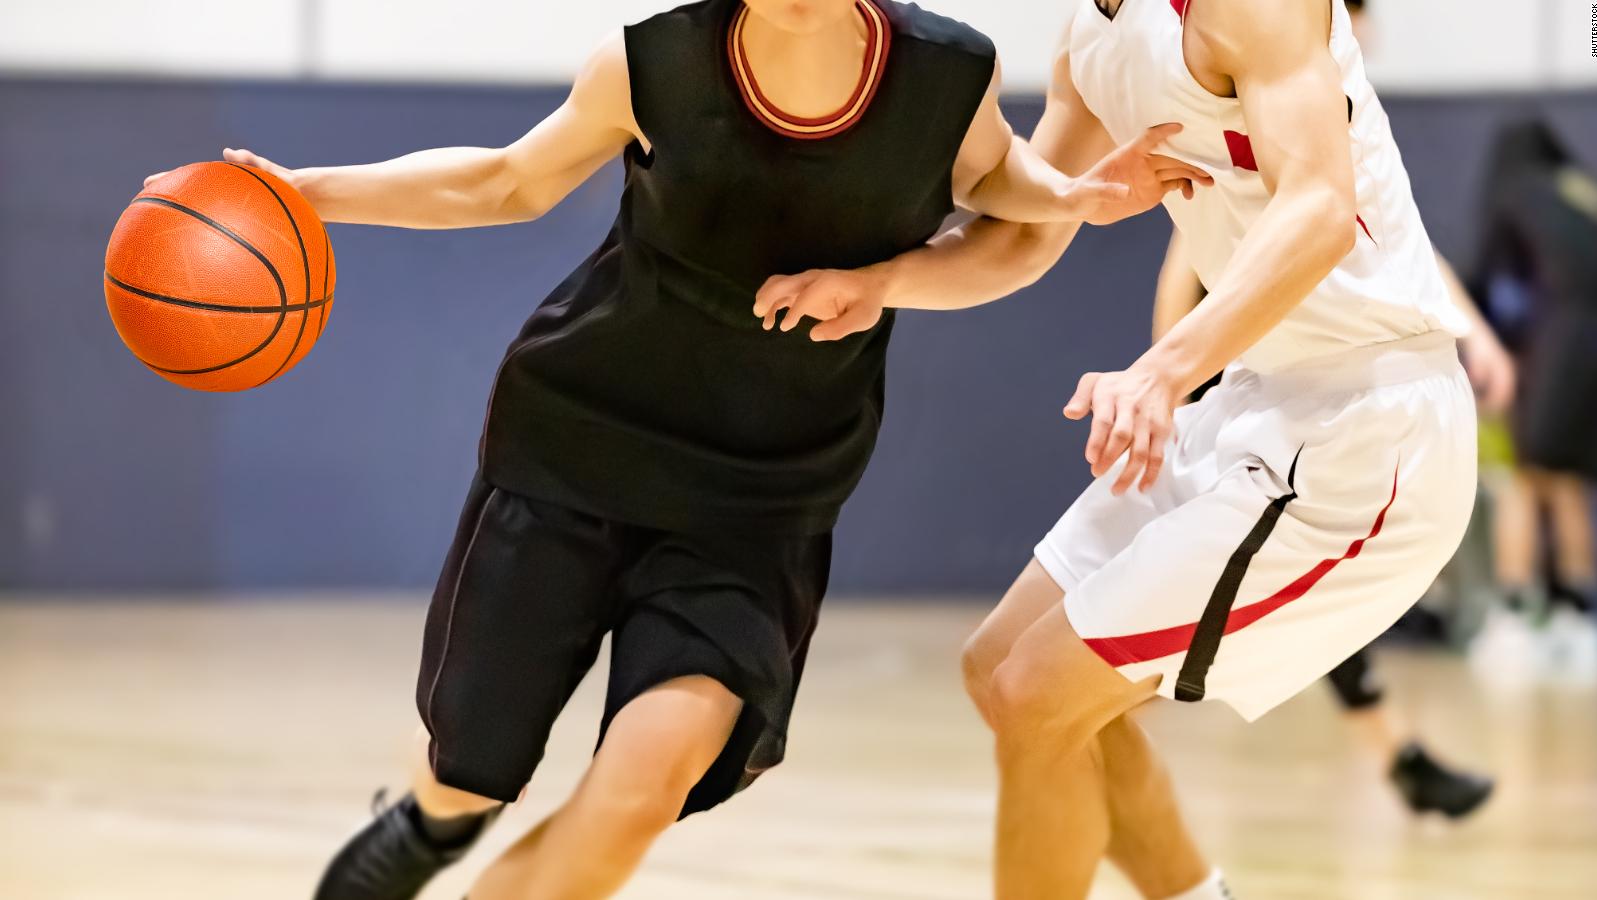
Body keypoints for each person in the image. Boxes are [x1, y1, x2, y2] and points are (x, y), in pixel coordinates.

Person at [141, 2, 1210, 898]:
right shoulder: (657, 58)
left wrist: (1072, 194)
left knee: (641, 786)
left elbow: (994, 176)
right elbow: (507, 182)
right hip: (576, 451)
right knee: (474, 774)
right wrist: (307, 193)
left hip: (760, 503)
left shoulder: (942, 72)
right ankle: (429, 821)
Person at [756, 0, 1478, 894]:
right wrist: (881, 283)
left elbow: (1322, 210)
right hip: (1262, 400)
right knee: (999, 670)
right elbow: (1027, 230)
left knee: (1038, 697)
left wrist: (1162, 371)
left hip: (1371, 428)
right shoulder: (1092, 38)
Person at [1145, 2, 1498, 818]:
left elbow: (1403, 254)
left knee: (1312, 599)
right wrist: (1173, 382)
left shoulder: (1333, 104)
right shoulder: (1271, 84)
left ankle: (1397, 758)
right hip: (1251, 400)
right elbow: (1185, 255)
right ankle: (1100, 731)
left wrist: (1475, 333)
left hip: (1319, 405)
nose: (1360, 35)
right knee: (1173, 614)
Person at [1469, 118, 1597, 671]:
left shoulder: (1517, 191)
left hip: (1561, 343)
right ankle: (1577, 615)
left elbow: (1489, 282)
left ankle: (1516, 615)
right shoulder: (1582, 189)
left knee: (1522, 476)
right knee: (1566, 478)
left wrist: (1494, 351)